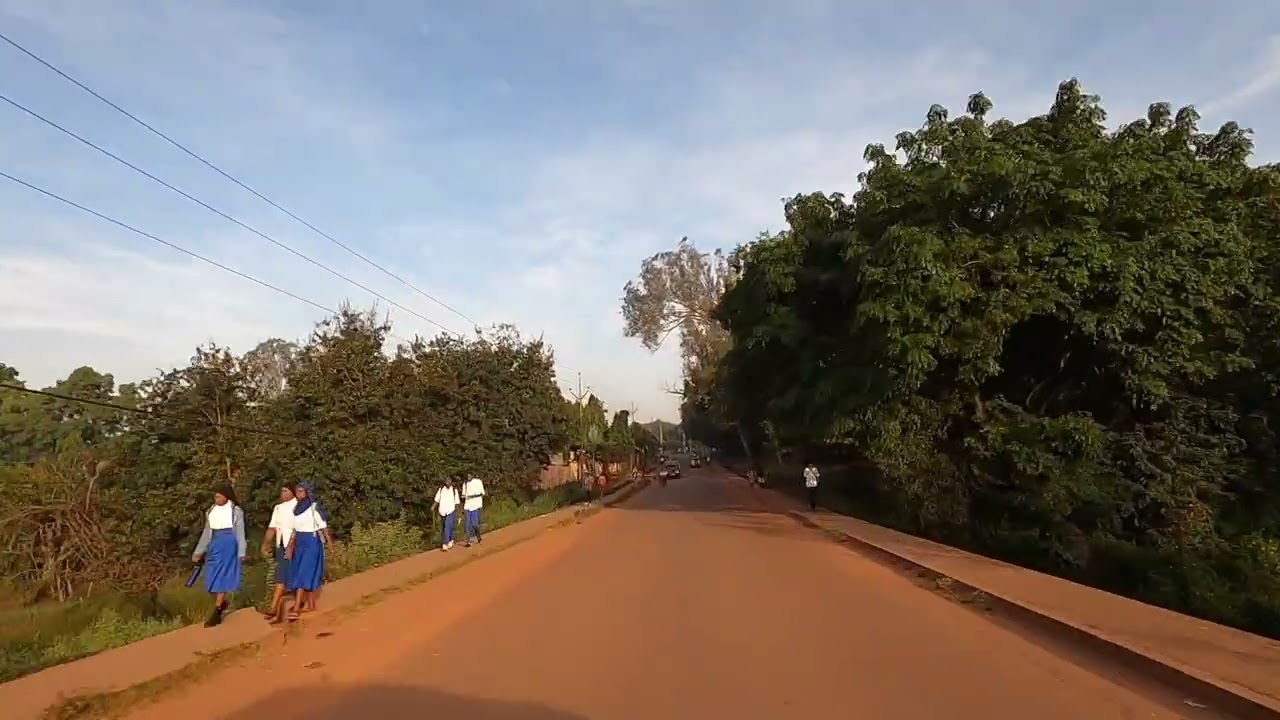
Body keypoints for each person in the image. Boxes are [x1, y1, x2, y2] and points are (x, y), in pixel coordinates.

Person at [191, 484, 247, 628]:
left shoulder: (235, 511)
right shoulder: (211, 511)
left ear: (226, 496)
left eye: (218, 496)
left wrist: (241, 552)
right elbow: (207, 532)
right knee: (210, 576)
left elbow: (240, 533)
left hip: (228, 544)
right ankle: (221, 602)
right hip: (215, 543)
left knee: (221, 575)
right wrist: (199, 551)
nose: (216, 498)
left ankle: (217, 610)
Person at [287, 482, 329, 619]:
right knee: (302, 571)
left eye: (301, 491)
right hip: (300, 542)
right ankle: (311, 605)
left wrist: (330, 544)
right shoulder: (296, 509)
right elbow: (294, 530)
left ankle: (297, 607)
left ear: (307, 492)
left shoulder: (314, 507)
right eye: (297, 491)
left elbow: (323, 527)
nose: (298, 494)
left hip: (311, 542)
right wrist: (289, 546)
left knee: (303, 573)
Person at [259, 482, 297, 624]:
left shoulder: (298, 506)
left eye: (286, 491)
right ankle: (274, 607)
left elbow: (299, 527)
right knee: (280, 575)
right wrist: (266, 543)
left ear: (292, 492)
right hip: (281, 544)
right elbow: (272, 528)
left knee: (293, 574)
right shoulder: (278, 508)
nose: (283, 493)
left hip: (295, 544)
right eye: (282, 491)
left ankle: (293, 606)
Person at [433, 476, 461, 550]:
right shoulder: (441, 489)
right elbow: (437, 499)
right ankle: (450, 540)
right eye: (446, 481)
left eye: (449, 480)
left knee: (447, 526)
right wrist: (433, 507)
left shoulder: (454, 490)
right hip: (442, 511)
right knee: (444, 528)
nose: (447, 482)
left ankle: (445, 543)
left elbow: (457, 503)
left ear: (451, 481)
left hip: (450, 511)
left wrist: (458, 514)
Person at [461, 473, 486, 548]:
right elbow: (464, 494)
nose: (468, 477)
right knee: (467, 524)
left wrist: (472, 496)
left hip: (475, 505)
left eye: (469, 475)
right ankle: (468, 541)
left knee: (475, 524)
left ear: (472, 475)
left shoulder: (478, 482)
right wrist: (463, 496)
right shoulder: (465, 484)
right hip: (467, 506)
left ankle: (478, 535)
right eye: (467, 476)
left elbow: (482, 493)